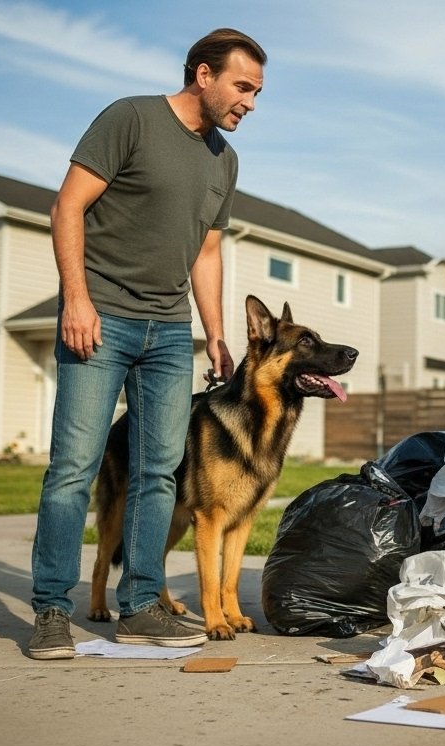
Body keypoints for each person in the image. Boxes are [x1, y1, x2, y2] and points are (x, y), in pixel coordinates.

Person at [27, 28, 267, 660]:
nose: (250, 102)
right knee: (73, 471)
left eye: (257, 91)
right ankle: (52, 609)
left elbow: (207, 250)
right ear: (203, 74)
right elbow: (67, 207)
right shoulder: (130, 119)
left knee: (159, 473)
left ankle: (139, 606)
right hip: (101, 318)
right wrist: (76, 299)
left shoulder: (224, 160)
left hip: (169, 330)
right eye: (242, 87)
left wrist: (215, 332)